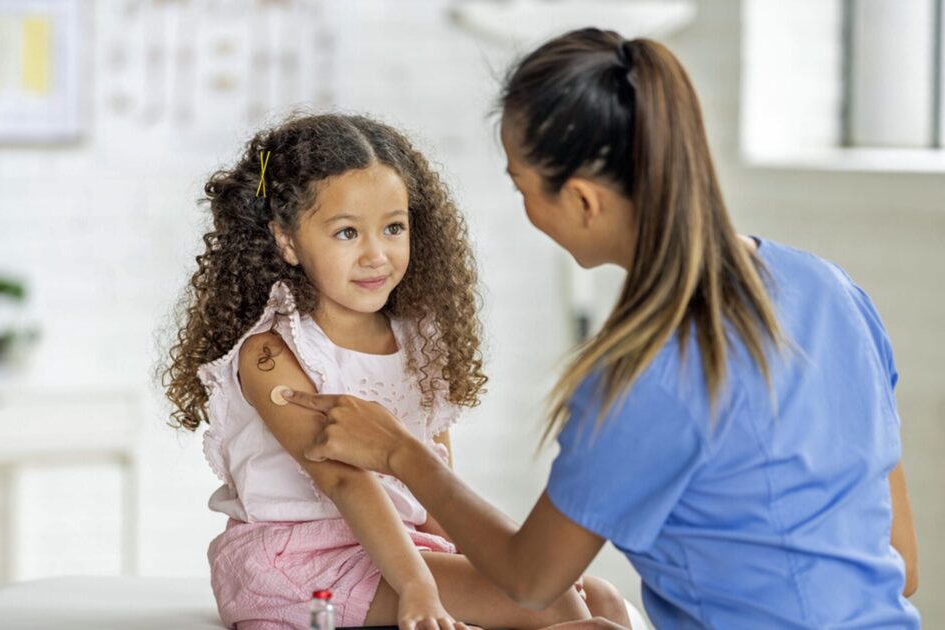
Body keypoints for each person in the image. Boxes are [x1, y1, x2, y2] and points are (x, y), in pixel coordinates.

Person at [282, 29, 921, 629]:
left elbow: (530, 579)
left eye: (522, 186)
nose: (525, 207)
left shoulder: (640, 372)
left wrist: (401, 453)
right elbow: (901, 562)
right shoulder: (831, 290)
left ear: (584, 200)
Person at [162, 113, 630, 629]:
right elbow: (345, 482)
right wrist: (418, 586)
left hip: (398, 549)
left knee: (601, 600)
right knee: (560, 608)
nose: (376, 254)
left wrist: (477, 567)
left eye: (393, 227)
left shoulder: (418, 342)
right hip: (301, 558)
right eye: (346, 232)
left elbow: (436, 482)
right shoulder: (272, 354)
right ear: (287, 241)